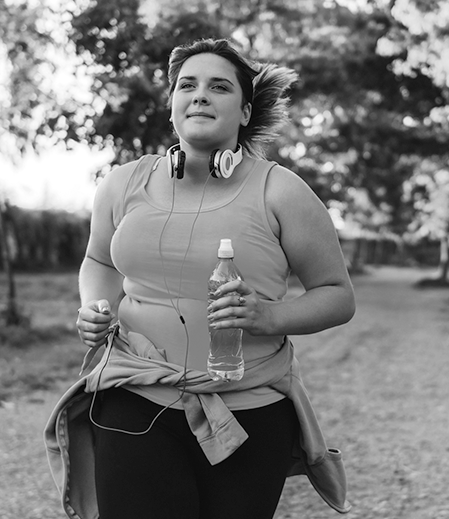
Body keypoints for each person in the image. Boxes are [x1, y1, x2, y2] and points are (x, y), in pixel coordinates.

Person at [44, 38, 356, 519]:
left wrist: (267, 315)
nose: (200, 94)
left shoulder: (282, 191)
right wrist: (94, 308)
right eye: (187, 85)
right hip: (133, 398)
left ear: (246, 111)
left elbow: (337, 296)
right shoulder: (122, 183)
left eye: (219, 86)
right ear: (172, 106)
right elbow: (100, 261)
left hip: (249, 411)